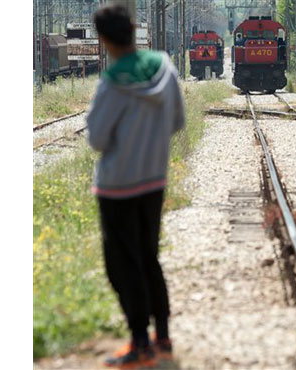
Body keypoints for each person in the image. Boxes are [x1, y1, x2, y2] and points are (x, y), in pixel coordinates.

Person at [87, 5, 185, 368]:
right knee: (149, 257)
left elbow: (97, 139)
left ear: (105, 39)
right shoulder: (165, 67)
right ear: (132, 28)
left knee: (122, 265)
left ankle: (139, 343)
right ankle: (162, 336)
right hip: (154, 180)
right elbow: (177, 121)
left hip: (116, 188)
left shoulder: (112, 82)